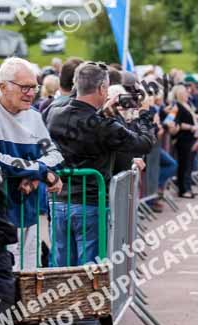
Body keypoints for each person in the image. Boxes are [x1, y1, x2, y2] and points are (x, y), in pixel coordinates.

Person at [47, 61, 156, 266]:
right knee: (91, 274)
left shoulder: (54, 113)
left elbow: (77, 108)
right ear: (101, 89)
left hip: (58, 200)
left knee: (59, 271)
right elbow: (144, 143)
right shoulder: (104, 125)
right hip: (90, 203)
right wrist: (144, 115)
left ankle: (63, 299)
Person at [0, 58, 64, 270]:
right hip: (3, 215)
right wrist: (41, 172)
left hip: (30, 211)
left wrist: (35, 174)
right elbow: (1, 160)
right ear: (2, 86)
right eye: (24, 87)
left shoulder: (34, 116)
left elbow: (54, 154)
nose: (31, 93)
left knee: (30, 277)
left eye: (34, 87)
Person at [171, 84, 198, 198]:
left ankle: (188, 187)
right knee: (184, 164)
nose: (187, 94)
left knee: (189, 164)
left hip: (190, 137)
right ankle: (183, 189)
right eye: (184, 92)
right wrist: (189, 127)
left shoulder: (187, 104)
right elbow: (173, 121)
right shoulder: (176, 106)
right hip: (183, 138)